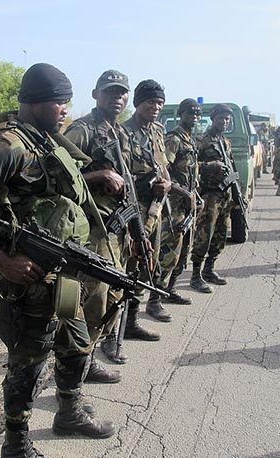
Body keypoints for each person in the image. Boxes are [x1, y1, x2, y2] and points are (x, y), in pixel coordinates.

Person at [0, 63, 115, 458]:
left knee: (76, 344)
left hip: (63, 273)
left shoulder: (48, 141)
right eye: (58, 101)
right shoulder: (4, 147)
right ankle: (15, 446)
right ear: (32, 102)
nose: (65, 108)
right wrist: (3, 261)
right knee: (28, 360)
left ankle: (69, 411)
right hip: (26, 278)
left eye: (67, 101)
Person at [63, 69, 132, 370]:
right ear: (95, 95)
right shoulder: (82, 130)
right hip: (93, 229)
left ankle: (90, 352)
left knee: (115, 292)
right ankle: (79, 362)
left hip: (118, 227)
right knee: (94, 296)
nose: (116, 97)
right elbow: (57, 174)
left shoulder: (121, 132)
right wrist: (100, 175)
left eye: (121, 92)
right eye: (110, 91)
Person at [122, 79, 172, 332]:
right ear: (138, 103)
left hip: (156, 208)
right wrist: (147, 186)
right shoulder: (123, 132)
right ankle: (116, 329)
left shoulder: (157, 130)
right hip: (134, 211)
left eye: (160, 102)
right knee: (130, 266)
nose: (156, 106)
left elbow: (162, 164)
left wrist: (167, 183)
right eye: (151, 101)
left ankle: (132, 320)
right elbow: (120, 176)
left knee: (149, 263)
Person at [159, 98, 201, 305]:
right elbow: (163, 173)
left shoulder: (190, 140)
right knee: (169, 254)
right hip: (173, 206)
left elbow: (192, 172)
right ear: (181, 114)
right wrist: (185, 193)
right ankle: (154, 301)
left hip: (188, 206)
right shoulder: (174, 139)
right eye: (189, 113)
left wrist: (195, 195)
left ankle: (171, 289)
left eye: (196, 114)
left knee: (184, 251)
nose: (193, 117)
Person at [189, 104, 235, 293]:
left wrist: (236, 192)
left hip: (224, 195)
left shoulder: (226, 142)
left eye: (227, 119)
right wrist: (209, 166)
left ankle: (209, 269)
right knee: (204, 236)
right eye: (221, 118)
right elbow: (190, 166)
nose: (224, 122)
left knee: (220, 235)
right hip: (208, 195)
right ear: (213, 119)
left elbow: (231, 167)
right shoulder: (201, 141)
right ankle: (195, 275)